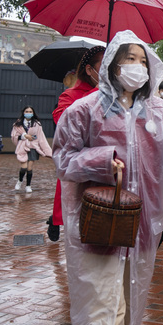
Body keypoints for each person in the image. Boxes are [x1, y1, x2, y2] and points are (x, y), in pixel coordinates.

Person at [53, 30, 163, 325]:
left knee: (131, 306)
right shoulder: (84, 111)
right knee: (103, 307)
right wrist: (102, 159)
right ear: (113, 65)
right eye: (131, 59)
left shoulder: (159, 111)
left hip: (144, 226)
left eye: (144, 61)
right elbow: (62, 159)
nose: (138, 67)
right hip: (99, 224)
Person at [47, 45, 105, 241]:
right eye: (103, 66)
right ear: (90, 70)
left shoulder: (118, 95)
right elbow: (61, 120)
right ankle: (55, 221)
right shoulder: (71, 95)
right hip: (79, 165)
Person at [11, 106, 53, 193]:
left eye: (30, 111)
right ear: (23, 112)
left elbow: (41, 137)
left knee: (29, 168)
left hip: (33, 147)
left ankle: (28, 185)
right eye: (27, 111)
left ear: (33, 113)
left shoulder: (37, 124)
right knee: (24, 167)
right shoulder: (18, 124)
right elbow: (14, 136)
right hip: (22, 147)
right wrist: (24, 136)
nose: (28, 113)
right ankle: (20, 180)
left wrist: (47, 150)